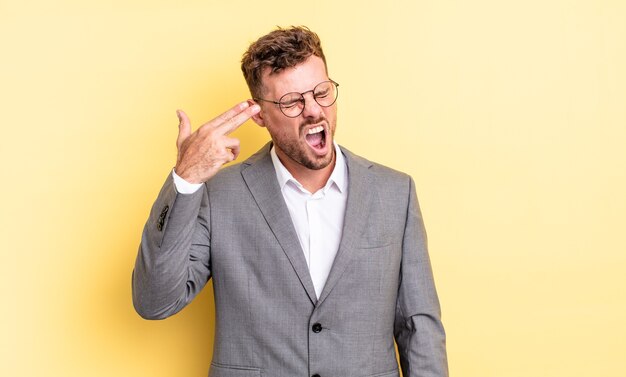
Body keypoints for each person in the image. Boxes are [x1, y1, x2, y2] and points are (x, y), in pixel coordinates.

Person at [132, 26, 448, 377]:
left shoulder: (394, 192)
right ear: (259, 115)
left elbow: (419, 328)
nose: (313, 111)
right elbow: (154, 301)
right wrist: (186, 179)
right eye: (292, 101)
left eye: (321, 92)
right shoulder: (219, 195)